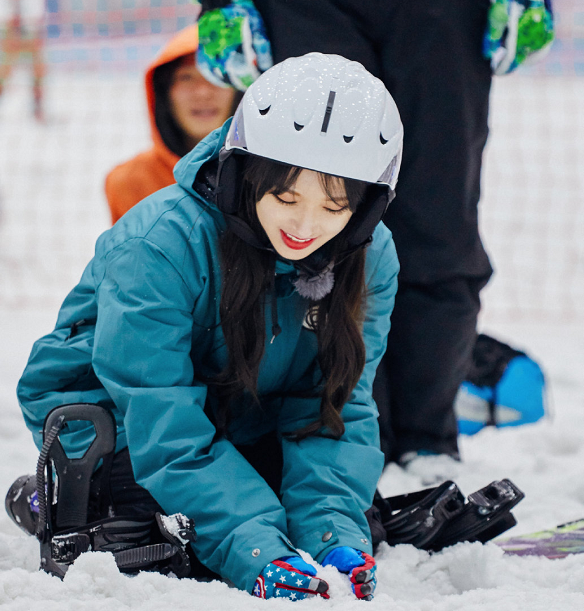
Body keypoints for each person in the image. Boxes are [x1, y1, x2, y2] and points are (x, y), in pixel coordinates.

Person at [8, 53, 403, 600]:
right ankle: (55, 495)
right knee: (162, 542)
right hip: (116, 414)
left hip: (238, 406)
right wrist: (253, 547)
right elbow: (162, 417)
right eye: (286, 197)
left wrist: (334, 532)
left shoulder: (369, 256)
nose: (306, 227)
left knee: (334, 518)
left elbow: (334, 406)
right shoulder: (159, 245)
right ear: (246, 173)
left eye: (334, 207)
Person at [197, 0, 495, 471]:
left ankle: (427, 437)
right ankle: (338, 431)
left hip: (444, 13)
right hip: (308, 9)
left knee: (440, 222)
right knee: (310, 205)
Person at [105, 24, 240, 224]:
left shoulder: (267, 174)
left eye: (215, 76)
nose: (203, 92)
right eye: (186, 77)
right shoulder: (128, 182)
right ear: (164, 93)